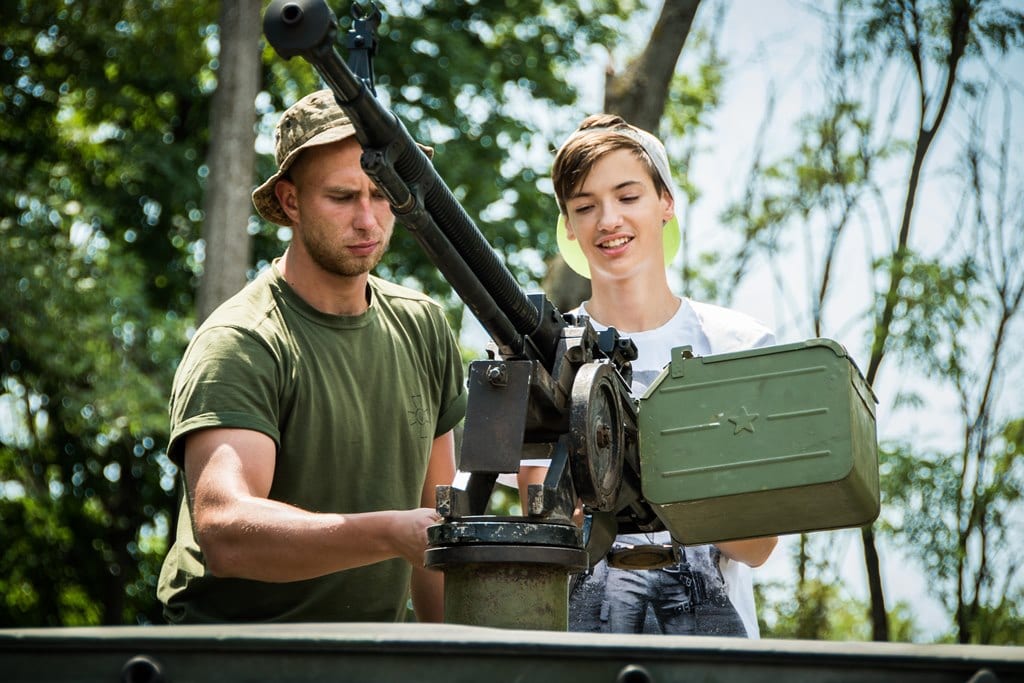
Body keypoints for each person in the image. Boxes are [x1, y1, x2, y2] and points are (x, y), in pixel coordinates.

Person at [156, 89, 467, 624]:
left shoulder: (424, 327)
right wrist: (388, 532)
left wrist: (458, 659)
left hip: (378, 657)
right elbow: (227, 533)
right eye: (343, 197)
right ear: (291, 201)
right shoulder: (242, 341)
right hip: (236, 657)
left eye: (380, 193)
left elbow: (436, 539)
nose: (368, 220)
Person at [542, 113, 778, 636]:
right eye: (585, 206)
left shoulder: (738, 347)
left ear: (665, 203)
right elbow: (551, 526)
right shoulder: (547, 354)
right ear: (570, 226)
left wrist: (644, 464)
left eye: (628, 197)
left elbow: (757, 545)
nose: (608, 220)